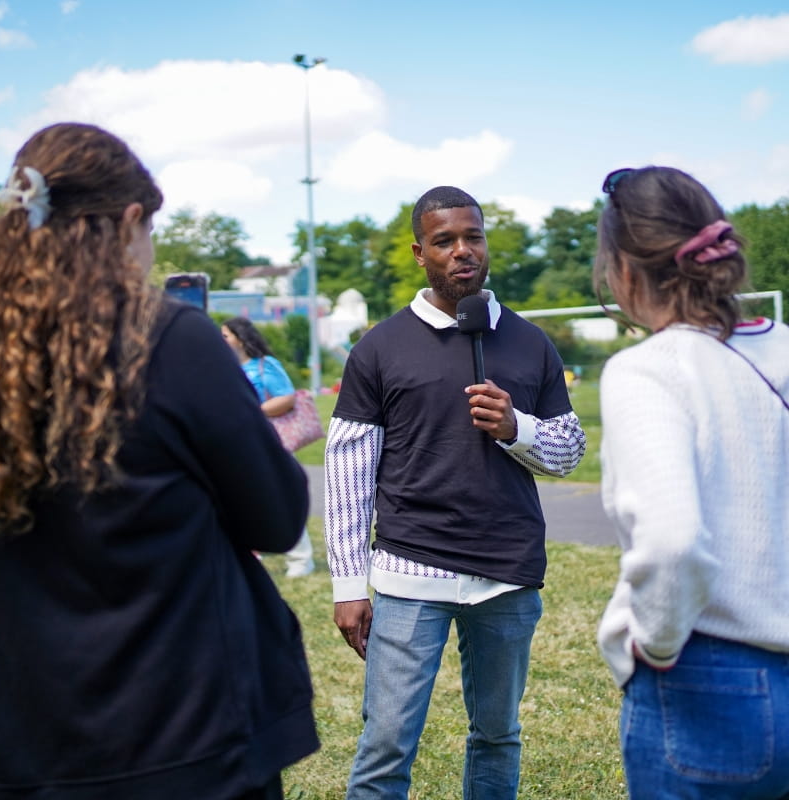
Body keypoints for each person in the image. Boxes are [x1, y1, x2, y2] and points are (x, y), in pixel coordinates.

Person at [0, 122, 318, 800]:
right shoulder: (168, 337)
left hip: (22, 742)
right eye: (150, 233)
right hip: (185, 732)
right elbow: (277, 517)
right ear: (128, 220)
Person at [324, 186, 586, 799]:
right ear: (421, 253)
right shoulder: (379, 347)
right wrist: (347, 584)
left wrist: (517, 428)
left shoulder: (530, 342)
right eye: (444, 241)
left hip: (507, 574)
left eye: (473, 237)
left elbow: (570, 451)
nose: (462, 250)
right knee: (386, 743)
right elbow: (348, 471)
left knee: (497, 735)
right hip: (410, 571)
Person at [594, 166, 789, 798]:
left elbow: (673, 541)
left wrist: (653, 642)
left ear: (624, 269)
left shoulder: (648, 370)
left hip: (709, 674)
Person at [221, 316, 315, 577]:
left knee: (278, 496)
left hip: (267, 440)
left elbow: (287, 397)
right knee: (241, 500)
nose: (221, 340)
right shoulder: (227, 366)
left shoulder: (265, 365)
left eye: (226, 335)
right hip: (239, 441)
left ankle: (301, 559)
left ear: (240, 339)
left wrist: (253, 411)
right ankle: (250, 554)